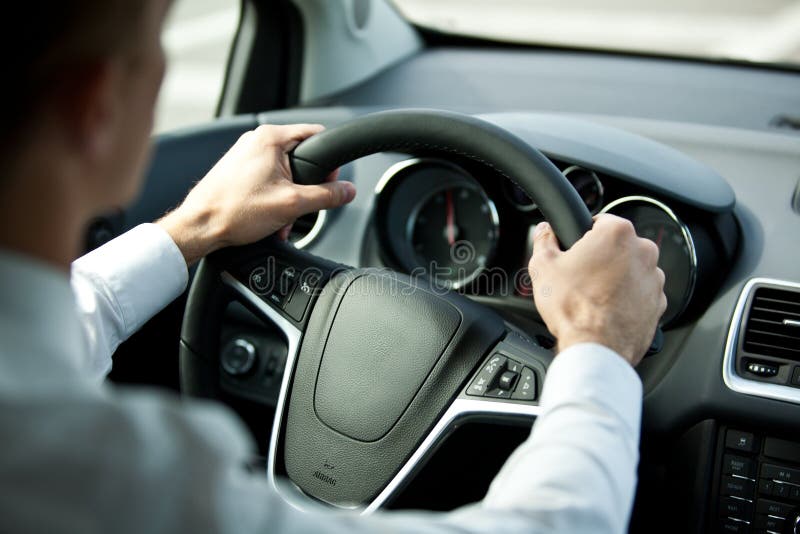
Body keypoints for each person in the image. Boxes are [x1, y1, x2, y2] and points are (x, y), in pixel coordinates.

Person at [0, 1, 666, 533]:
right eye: (155, 45)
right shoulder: (116, 481)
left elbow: (62, 321)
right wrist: (597, 342)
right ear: (100, 105)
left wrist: (196, 228)